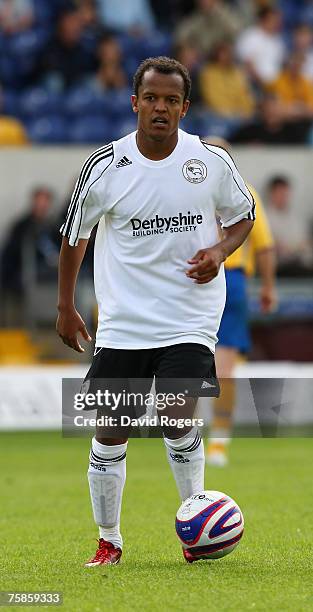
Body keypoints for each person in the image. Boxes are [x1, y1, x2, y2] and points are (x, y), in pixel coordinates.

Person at [56, 56, 255, 566]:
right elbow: (75, 238)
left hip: (191, 316)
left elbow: (243, 216)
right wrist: (65, 306)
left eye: (171, 100)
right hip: (123, 320)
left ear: (185, 108)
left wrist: (220, 252)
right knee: (110, 430)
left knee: (173, 411)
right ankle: (109, 540)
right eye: (151, 98)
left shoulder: (210, 161)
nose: (160, 107)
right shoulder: (105, 166)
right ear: (135, 103)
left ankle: (195, 528)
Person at [203, 137, 276, 467]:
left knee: (190, 365)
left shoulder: (187, 187)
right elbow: (264, 245)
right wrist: (268, 287)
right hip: (230, 279)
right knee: (223, 369)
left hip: (206, 278)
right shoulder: (245, 190)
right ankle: (218, 444)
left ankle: (187, 440)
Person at [265, 175, 313, 274]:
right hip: (279, 266)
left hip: (300, 262)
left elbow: (305, 242)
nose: (283, 197)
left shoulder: (296, 217)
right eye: (280, 193)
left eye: (285, 193)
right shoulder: (265, 217)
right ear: (271, 194)